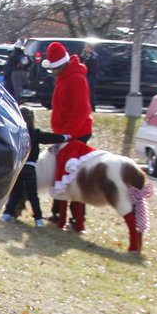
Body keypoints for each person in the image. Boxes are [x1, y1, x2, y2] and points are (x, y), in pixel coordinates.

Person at [41, 41, 93, 230]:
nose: (53, 72)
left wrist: (67, 135)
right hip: (63, 134)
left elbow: (81, 110)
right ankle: (57, 213)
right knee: (59, 173)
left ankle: (77, 218)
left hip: (76, 135)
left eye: (54, 69)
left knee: (74, 175)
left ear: (62, 65)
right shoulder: (64, 76)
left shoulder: (76, 78)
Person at [0, 107, 69, 226]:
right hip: (30, 168)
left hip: (18, 168)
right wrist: (65, 137)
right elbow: (49, 137)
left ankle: (6, 214)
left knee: (16, 192)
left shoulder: (16, 133)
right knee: (33, 195)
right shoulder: (35, 133)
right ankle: (38, 219)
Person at [80, 43, 98, 111]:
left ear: (90, 48)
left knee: (91, 93)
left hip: (90, 77)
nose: (85, 48)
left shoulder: (93, 56)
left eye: (86, 47)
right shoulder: (83, 55)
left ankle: (92, 107)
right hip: (84, 76)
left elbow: (93, 67)